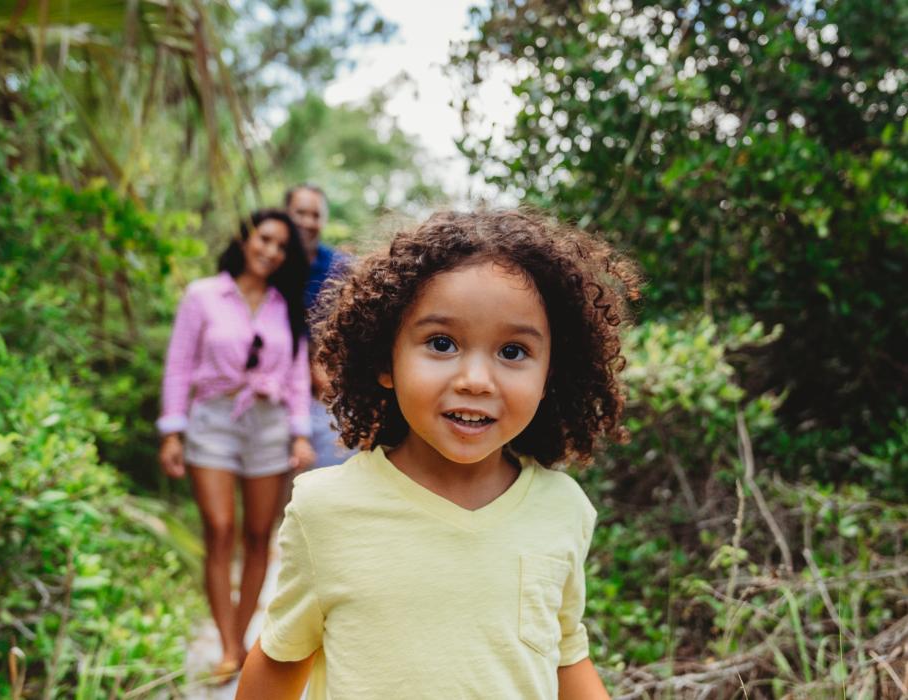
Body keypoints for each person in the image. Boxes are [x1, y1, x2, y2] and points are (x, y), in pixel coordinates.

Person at [236, 210, 640, 699]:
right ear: (386, 360)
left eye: (512, 352)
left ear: (550, 374)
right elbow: (280, 660)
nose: (475, 379)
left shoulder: (564, 509)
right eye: (442, 343)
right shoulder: (327, 509)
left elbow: (567, 658)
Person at [157, 209, 316, 681]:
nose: (270, 251)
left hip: (267, 425)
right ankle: (228, 646)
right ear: (246, 239)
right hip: (212, 420)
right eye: (264, 239)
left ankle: (245, 638)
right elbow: (179, 366)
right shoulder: (203, 295)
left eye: (281, 246)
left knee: (258, 535)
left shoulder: (284, 304)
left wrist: (300, 432)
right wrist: (172, 429)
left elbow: (295, 375)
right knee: (221, 528)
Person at [284, 183, 356, 468]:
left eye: (315, 215)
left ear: (323, 221)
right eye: (299, 213)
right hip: (274, 393)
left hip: (324, 395)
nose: (306, 221)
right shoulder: (268, 263)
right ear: (285, 215)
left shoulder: (341, 267)